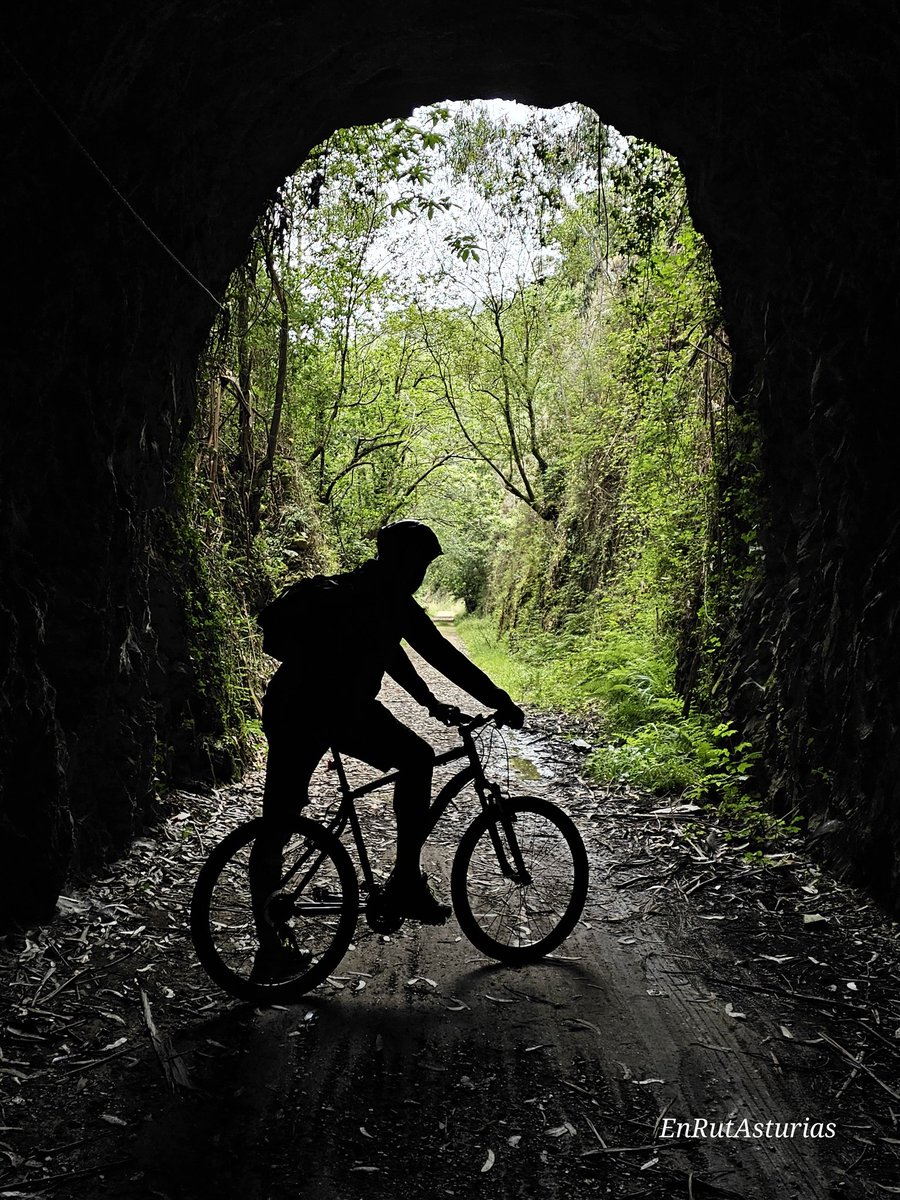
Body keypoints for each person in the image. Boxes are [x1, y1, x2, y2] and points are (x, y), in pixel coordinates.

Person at [251, 519, 524, 977]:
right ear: (405, 561)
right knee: (417, 758)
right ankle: (404, 882)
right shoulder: (393, 602)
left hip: (289, 706)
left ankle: (269, 946)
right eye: (420, 564)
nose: (420, 575)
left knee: (276, 823)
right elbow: (444, 657)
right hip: (338, 710)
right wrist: (500, 701)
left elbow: (389, 652)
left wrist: (430, 701)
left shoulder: (358, 590)